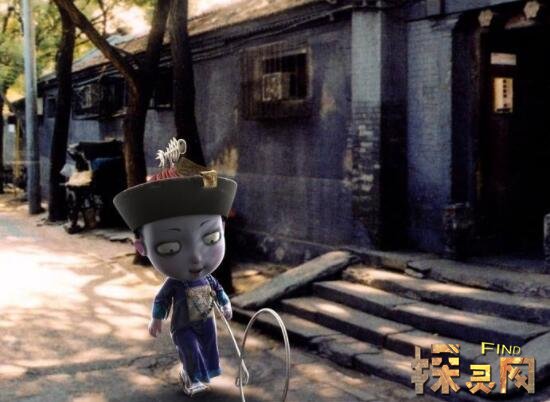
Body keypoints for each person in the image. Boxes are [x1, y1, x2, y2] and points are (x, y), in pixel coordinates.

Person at [113, 139, 237, 396]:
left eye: (211, 238)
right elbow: (162, 299)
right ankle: (191, 376)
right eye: (169, 248)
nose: (196, 258)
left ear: (223, 230)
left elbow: (218, 291)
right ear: (142, 248)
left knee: (209, 347)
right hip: (183, 326)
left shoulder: (208, 280)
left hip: (206, 321)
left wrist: (225, 304)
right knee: (190, 350)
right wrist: (156, 318)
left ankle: (204, 374)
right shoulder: (174, 283)